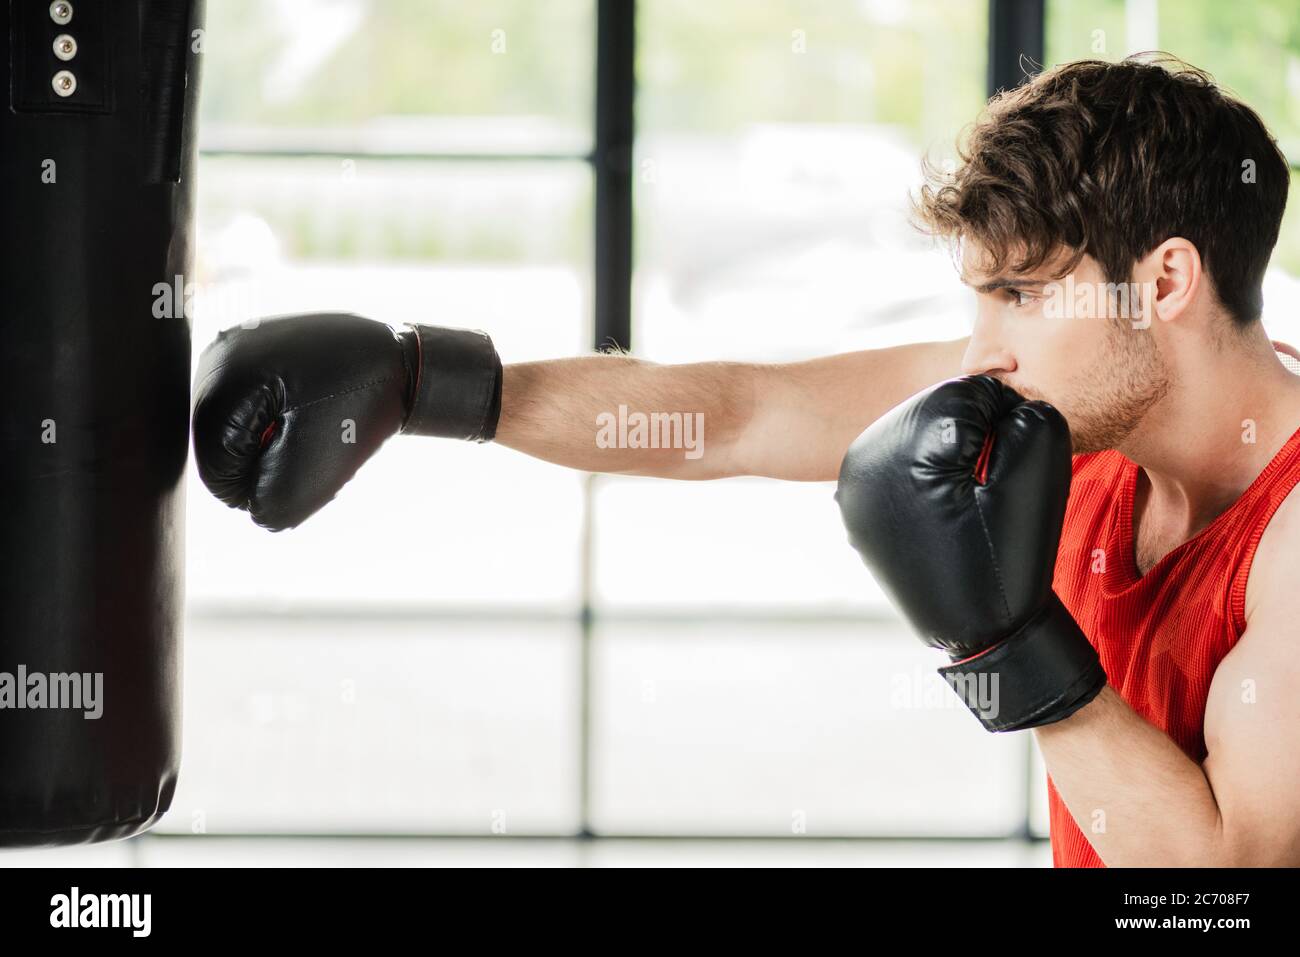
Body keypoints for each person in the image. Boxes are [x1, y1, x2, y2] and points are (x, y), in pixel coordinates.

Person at [191, 55, 1300, 867]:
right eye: (976, 298)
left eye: (1018, 294)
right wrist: (426, 386)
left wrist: (1006, 646)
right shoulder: (1060, 401)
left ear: (1159, 284)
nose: (980, 351)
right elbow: (733, 416)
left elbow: (1224, 881)